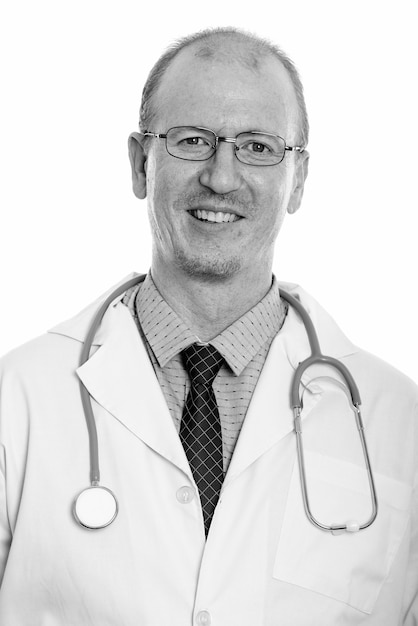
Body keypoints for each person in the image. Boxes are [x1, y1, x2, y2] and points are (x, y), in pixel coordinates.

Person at [0, 26, 417, 626]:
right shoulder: (19, 399)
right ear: (141, 164)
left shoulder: (398, 420)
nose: (221, 177)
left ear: (297, 179)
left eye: (257, 146)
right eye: (193, 140)